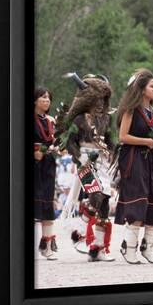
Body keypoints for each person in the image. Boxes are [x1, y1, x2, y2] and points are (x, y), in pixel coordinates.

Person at [60, 74, 115, 262]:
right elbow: (70, 144)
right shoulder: (79, 120)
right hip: (84, 161)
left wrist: (113, 153)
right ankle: (80, 230)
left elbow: (110, 141)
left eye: (103, 99)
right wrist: (80, 160)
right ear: (89, 98)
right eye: (97, 98)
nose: (101, 103)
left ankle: (98, 248)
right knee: (96, 195)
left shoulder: (105, 120)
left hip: (102, 162)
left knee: (105, 204)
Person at [114, 69, 153, 264]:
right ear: (142, 89)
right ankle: (130, 247)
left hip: (150, 159)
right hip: (133, 158)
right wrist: (146, 142)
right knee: (138, 201)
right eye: (152, 86)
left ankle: (148, 248)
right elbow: (122, 137)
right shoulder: (131, 110)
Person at [34, 87, 59, 260]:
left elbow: (56, 141)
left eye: (49, 98)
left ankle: (47, 245)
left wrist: (59, 146)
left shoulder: (51, 120)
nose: (47, 100)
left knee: (48, 202)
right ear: (35, 100)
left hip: (48, 163)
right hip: (34, 162)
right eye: (43, 97)